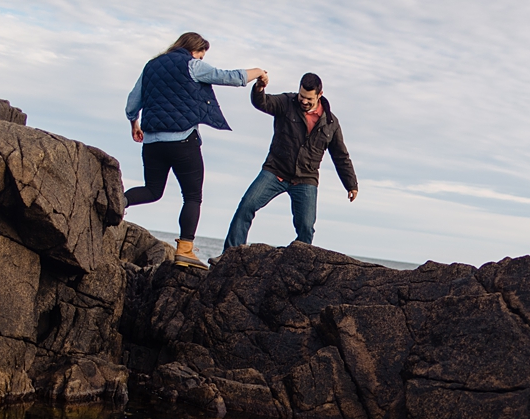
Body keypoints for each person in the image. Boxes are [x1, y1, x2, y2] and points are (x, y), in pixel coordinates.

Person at [124, 32, 266, 269]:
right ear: (195, 50)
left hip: (152, 142)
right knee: (192, 196)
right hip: (182, 141)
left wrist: (134, 124)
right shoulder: (192, 65)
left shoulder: (151, 66)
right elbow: (230, 77)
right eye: (202, 53)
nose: (202, 58)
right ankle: (185, 250)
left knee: (152, 189)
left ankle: (119, 202)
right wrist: (259, 72)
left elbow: (132, 102)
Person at [223, 72, 358, 252]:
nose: (304, 101)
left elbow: (341, 156)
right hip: (275, 171)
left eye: (309, 98)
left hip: (305, 179)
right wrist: (259, 88)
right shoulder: (286, 102)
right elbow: (262, 103)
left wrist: (351, 184)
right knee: (246, 206)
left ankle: (298, 269)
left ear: (320, 94)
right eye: (302, 96)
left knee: (306, 229)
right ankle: (229, 255)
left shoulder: (331, 123)